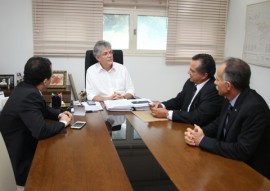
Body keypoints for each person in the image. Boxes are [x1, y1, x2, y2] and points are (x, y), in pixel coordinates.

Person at [184, 58, 270, 179]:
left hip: (251, 174)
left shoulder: (255, 108)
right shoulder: (230, 97)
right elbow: (219, 123)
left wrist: (202, 140)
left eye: (218, 79)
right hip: (228, 162)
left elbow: (242, 150)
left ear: (228, 85)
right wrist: (201, 132)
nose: (214, 82)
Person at [0, 56, 73, 187]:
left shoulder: (24, 88)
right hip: (22, 163)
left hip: (23, 145)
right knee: (64, 170)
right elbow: (41, 131)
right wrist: (64, 123)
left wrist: (60, 114)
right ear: (45, 81)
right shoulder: (30, 95)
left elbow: (43, 108)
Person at [150, 53, 223, 126]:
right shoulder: (191, 82)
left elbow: (198, 117)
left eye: (192, 71)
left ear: (204, 75)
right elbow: (179, 100)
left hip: (199, 131)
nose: (188, 72)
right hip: (183, 126)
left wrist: (167, 114)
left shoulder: (214, 90)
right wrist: (162, 105)